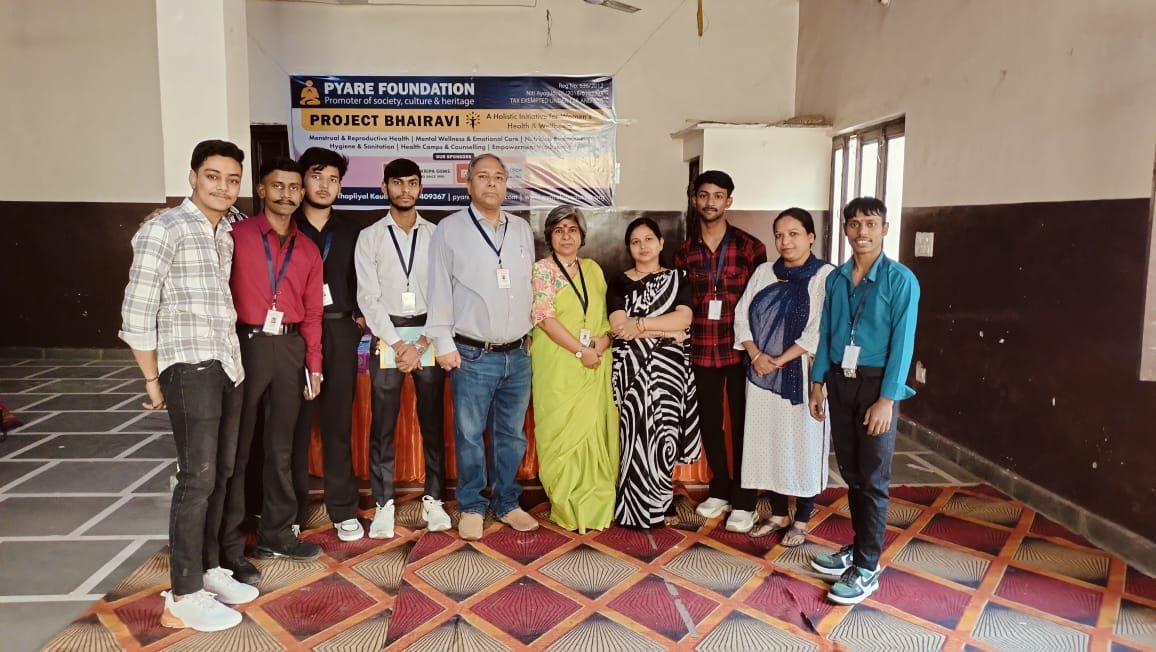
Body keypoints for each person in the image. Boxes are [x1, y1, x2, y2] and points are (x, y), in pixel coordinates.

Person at [119, 139, 257, 632]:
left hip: (227, 364)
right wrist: (152, 380)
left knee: (221, 472)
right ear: (193, 177)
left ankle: (210, 568)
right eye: (213, 176)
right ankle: (183, 593)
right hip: (188, 366)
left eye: (232, 179)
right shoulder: (164, 228)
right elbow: (137, 311)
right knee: (195, 479)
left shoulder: (228, 230)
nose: (223, 187)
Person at [808, 197, 920, 605]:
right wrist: (818, 381)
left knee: (872, 478)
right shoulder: (837, 279)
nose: (862, 232)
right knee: (852, 473)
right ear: (845, 230)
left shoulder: (900, 280)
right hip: (840, 381)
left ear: (885, 229)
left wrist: (887, 399)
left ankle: (868, 568)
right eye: (854, 224)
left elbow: (903, 344)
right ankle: (858, 548)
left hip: (876, 387)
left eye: (871, 224)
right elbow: (826, 333)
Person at [222, 157, 325, 580]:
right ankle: (227, 543)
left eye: (294, 187)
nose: (286, 194)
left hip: (290, 347)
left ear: (302, 193)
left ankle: (277, 533)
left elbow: (314, 312)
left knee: (281, 447)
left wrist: (313, 364)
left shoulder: (308, 248)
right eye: (277, 186)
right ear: (261, 190)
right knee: (236, 448)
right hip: (245, 344)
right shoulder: (235, 236)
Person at [426, 153, 539, 541]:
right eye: (483, 176)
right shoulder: (449, 229)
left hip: (518, 353)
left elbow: (527, 287)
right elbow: (438, 289)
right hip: (472, 353)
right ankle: (472, 505)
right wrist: (443, 342)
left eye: (499, 177)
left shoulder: (520, 229)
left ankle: (507, 502)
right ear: (469, 183)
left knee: (512, 435)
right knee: (470, 435)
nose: (492, 183)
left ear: (507, 184)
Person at [355, 158, 451, 539]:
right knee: (383, 424)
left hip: (428, 333)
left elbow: (445, 292)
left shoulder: (437, 235)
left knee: (432, 421)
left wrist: (423, 341)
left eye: (412, 183)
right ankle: (384, 504)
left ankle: (434, 499)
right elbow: (368, 297)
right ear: (384, 188)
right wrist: (397, 344)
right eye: (397, 183)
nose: (405, 190)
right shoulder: (370, 237)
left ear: (421, 188)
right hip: (388, 336)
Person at [673, 170, 767, 533]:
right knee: (710, 423)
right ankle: (720, 489)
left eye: (717, 195)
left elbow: (761, 305)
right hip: (700, 350)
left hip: (740, 351)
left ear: (729, 200)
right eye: (703, 195)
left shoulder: (750, 247)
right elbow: (679, 303)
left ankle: (744, 499)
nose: (709, 202)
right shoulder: (684, 251)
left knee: (744, 424)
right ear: (694, 199)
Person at [733, 208, 833, 546]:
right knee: (771, 440)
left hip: (803, 373)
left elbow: (819, 328)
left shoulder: (824, 276)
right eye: (779, 235)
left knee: (803, 443)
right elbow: (741, 315)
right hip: (761, 375)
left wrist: (779, 360)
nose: (785, 241)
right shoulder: (764, 272)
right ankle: (778, 513)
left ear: (810, 237)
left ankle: (802, 518)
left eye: (793, 234)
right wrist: (756, 356)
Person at [289, 147, 365, 542]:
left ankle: (343, 509)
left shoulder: (352, 230)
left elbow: (363, 282)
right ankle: (289, 511)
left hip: (338, 330)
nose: (324, 185)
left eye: (333, 179)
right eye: (317, 176)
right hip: (292, 335)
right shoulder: (286, 224)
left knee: (337, 424)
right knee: (292, 426)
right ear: (302, 180)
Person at [529, 205, 618, 533]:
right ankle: (566, 503)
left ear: (582, 236)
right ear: (549, 237)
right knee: (560, 432)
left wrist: (602, 343)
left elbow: (605, 317)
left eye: (572, 230)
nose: (566, 236)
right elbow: (545, 319)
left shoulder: (593, 269)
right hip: (558, 364)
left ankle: (597, 501)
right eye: (558, 230)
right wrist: (581, 351)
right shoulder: (542, 271)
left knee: (592, 431)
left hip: (594, 363)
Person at [608, 217, 701, 528]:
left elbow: (684, 319)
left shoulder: (679, 278)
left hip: (668, 370)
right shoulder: (619, 281)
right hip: (630, 369)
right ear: (629, 248)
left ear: (661, 243)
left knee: (664, 435)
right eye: (635, 242)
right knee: (633, 436)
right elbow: (619, 327)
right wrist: (666, 330)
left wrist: (643, 324)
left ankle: (660, 504)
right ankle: (631, 508)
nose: (643, 246)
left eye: (649, 239)